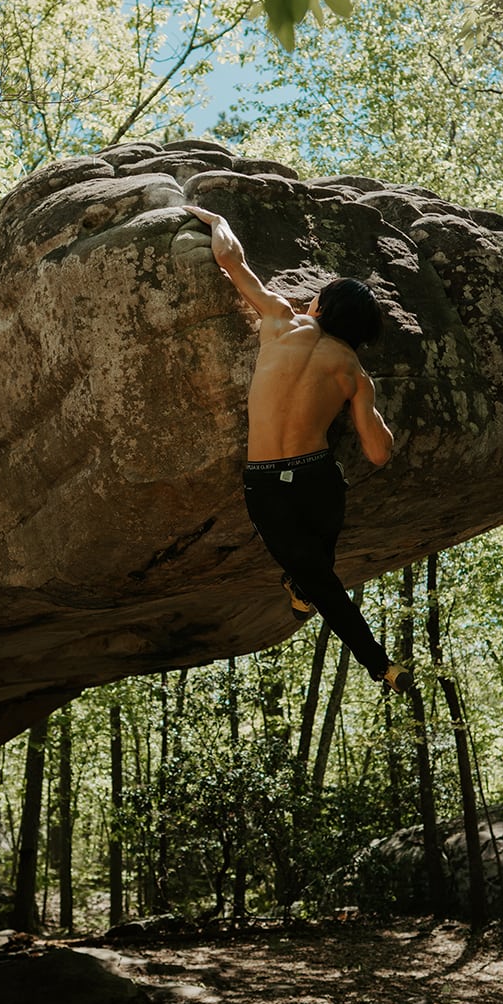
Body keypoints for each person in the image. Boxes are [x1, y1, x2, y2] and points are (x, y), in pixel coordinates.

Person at [184, 205, 411, 694]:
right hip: (316, 480)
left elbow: (230, 259)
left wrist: (214, 217)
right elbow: (378, 453)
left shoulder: (280, 319)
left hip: (267, 482)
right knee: (318, 572)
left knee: (316, 576)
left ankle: (367, 652)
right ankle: (363, 648)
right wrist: (370, 405)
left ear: (322, 306)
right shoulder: (353, 372)